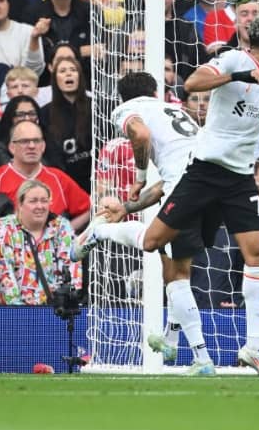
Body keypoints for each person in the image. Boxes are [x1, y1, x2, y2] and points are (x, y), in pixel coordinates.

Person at [92, 12, 259, 377]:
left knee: (257, 253)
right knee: (153, 242)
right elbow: (192, 83)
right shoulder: (232, 59)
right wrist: (239, 77)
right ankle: (101, 231)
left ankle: (253, 348)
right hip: (202, 171)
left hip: (240, 176)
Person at [88, 71, 215, 375]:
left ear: (121, 98)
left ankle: (202, 358)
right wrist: (127, 207)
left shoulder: (127, 109)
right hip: (212, 188)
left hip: (186, 192)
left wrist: (139, 177)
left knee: (160, 255)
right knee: (174, 268)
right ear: (156, 92)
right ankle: (170, 339)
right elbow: (165, 185)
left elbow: (141, 135)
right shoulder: (175, 111)